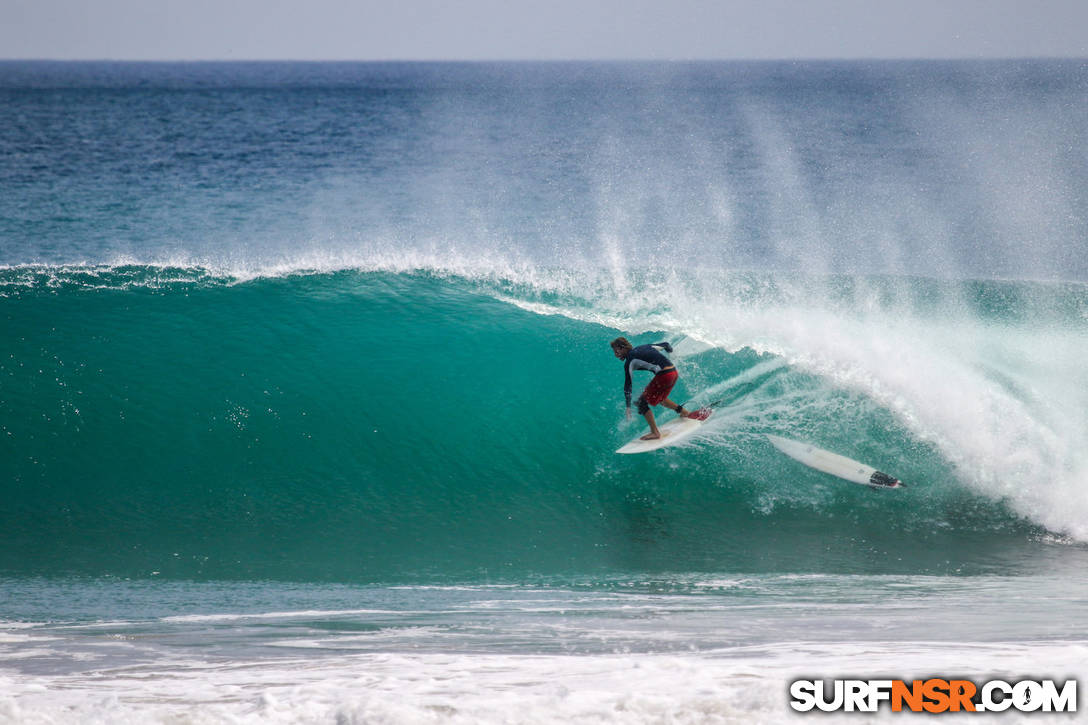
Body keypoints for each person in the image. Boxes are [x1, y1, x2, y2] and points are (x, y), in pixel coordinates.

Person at [611, 336, 696, 440]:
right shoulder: (645, 346)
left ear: (623, 348)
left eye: (616, 351)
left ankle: (655, 432)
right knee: (662, 399)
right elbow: (666, 345)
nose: (616, 355)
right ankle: (685, 412)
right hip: (673, 372)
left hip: (664, 375)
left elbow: (628, 385)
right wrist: (672, 354)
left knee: (641, 402)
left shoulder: (630, 361)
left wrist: (628, 406)